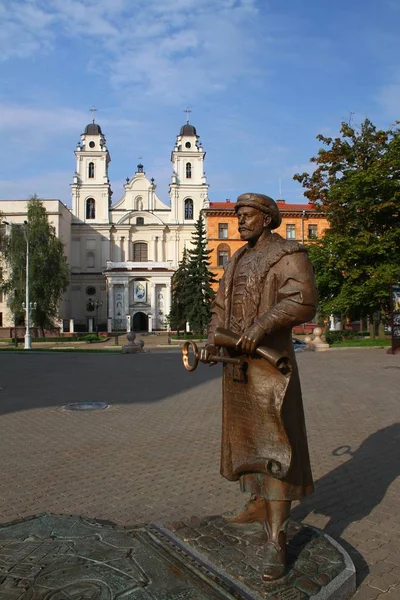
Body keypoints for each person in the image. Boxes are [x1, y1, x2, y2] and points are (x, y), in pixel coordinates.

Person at [201, 193, 318, 581]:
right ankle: (256, 502)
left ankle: (277, 538)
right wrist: (211, 339)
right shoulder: (235, 259)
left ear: (267, 218)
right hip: (236, 367)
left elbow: (302, 301)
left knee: (276, 445)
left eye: (248, 215)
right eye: (237, 216)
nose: (240, 222)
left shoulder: (288, 252)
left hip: (270, 367)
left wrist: (260, 328)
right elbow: (220, 307)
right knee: (245, 438)